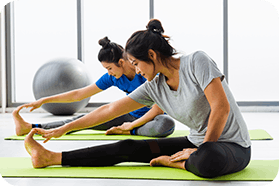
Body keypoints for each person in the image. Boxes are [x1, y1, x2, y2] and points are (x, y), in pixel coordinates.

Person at [23, 19, 251, 178]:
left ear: (151, 55)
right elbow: (110, 110)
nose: (137, 70)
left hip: (231, 146)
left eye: (136, 63)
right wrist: (66, 128)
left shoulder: (196, 62)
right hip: (195, 143)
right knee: (128, 146)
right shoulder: (154, 87)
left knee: (207, 160)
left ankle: (178, 162)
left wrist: (201, 150)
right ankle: (50, 158)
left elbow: (221, 107)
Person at [13, 36, 175, 137]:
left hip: (151, 120)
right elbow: (79, 94)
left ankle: (130, 131)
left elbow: (158, 108)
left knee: (166, 124)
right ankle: (32, 127)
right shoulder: (114, 77)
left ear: (121, 62)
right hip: (127, 117)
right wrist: (44, 100)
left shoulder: (147, 72)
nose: (109, 73)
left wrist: (131, 127)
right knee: (83, 120)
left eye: (109, 68)